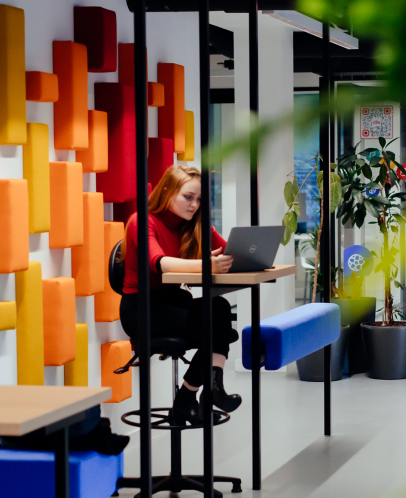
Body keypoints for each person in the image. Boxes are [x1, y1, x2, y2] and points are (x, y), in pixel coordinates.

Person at [119, 164, 242, 425]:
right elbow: (159, 262)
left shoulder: (195, 225)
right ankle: (193, 398)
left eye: (198, 199)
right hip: (141, 309)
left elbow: (228, 251)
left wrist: (249, 257)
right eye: (188, 197)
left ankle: (208, 388)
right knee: (218, 329)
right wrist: (205, 264)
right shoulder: (142, 221)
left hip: (175, 302)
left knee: (219, 308)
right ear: (167, 191)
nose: (194, 205)